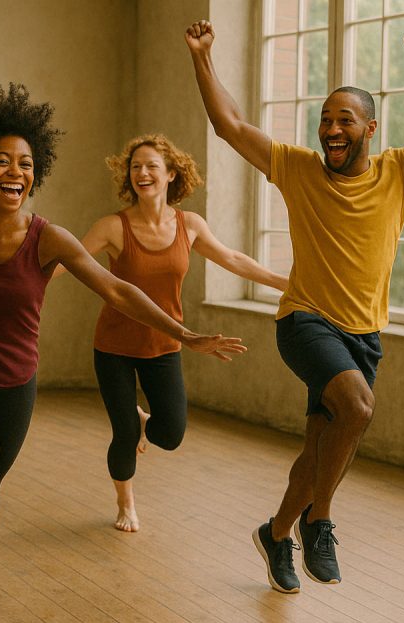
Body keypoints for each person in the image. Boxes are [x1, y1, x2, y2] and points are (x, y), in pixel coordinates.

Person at [0, 83, 246, 623]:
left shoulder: (49, 239)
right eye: (1, 160)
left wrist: (184, 336)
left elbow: (119, 291)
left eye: (25, 162)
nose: (15, 171)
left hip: (16, 380)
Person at [186, 20, 404, 593]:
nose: (331, 129)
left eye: (344, 119)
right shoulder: (296, 168)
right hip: (305, 321)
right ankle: (319, 523)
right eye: (325, 119)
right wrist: (203, 57)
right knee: (359, 410)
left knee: (318, 453)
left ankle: (275, 534)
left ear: (370, 128)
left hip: (364, 335)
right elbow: (228, 125)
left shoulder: (402, 170)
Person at [56, 134, 287, 532]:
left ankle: (143, 421)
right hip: (114, 345)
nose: (142, 173)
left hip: (163, 344)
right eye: (135, 167)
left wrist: (286, 283)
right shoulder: (113, 226)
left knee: (171, 433)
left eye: (151, 166)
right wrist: (19, 286)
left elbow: (233, 258)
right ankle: (125, 502)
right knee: (124, 433)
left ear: (170, 174)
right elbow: (67, 262)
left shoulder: (190, 225)